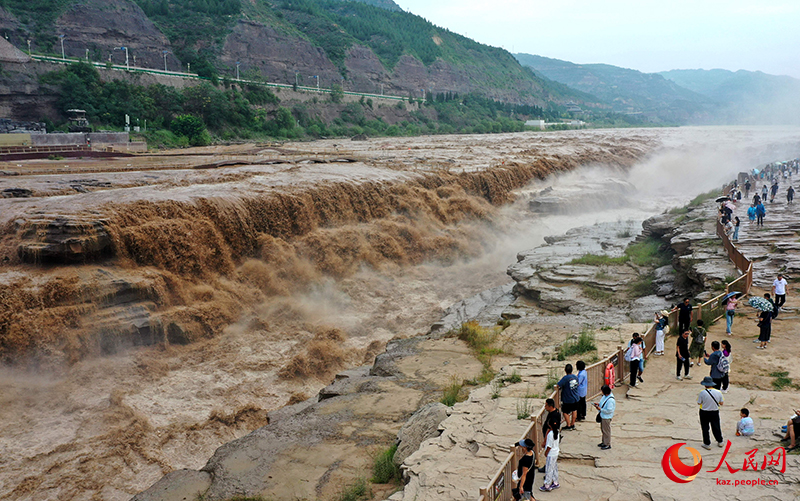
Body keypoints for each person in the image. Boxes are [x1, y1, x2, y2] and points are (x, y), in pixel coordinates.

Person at [697, 376, 724, 450]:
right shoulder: (718, 392)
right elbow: (721, 403)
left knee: (705, 428)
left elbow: (699, 403)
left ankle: (707, 443)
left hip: (704, 412)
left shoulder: (702, 392)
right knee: (716, 426)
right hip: (715, 411)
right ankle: (720, 441)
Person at [539, 413, 560, 492]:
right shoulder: (557, 432)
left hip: (551, 454)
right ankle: (555, 482)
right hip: (556, 452)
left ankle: (547, 484)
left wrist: (546, 453)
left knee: (549, 469)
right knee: (554, 468)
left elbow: (549, 446)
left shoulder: (550, 434)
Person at [556, 365, 579, 430]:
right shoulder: (575, 377)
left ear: (565, 370)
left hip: (567, 398)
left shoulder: (565, 378)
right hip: (575, 397)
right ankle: (573, 424)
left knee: (565, 412)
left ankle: (568, 425)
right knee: (574, 410)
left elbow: (558, 385)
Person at [593, 384, 615, 450]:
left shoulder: (610, 400)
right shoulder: (605, 397)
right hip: (603, 416)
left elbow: (609, 410)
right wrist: (599, 404)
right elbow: (603, 404)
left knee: (606, 431)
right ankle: (604, 442)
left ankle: (607, 444)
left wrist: (601, 409)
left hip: (606, 417)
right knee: (603, 430)